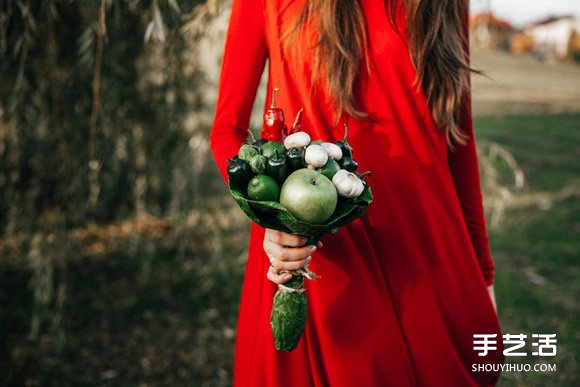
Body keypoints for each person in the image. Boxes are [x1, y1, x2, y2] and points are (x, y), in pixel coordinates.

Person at [209, 0, 505, 385]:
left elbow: (457, 143)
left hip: (430, 253)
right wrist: (271, 215)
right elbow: (226, 130)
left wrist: (483, 274)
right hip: (324, 254)